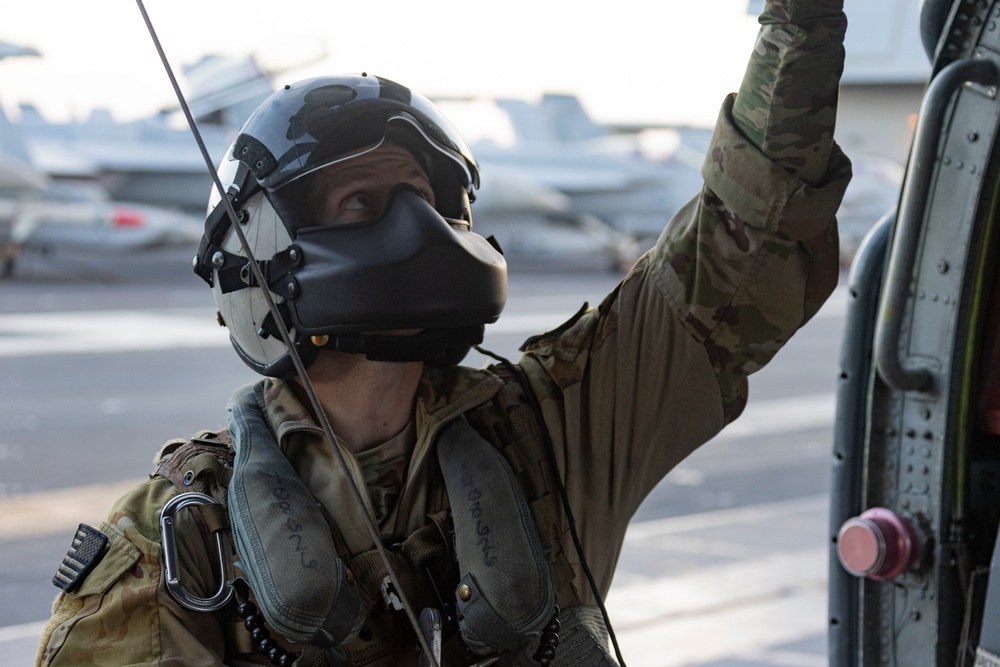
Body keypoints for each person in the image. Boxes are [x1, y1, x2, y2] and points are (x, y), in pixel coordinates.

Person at [36, 1, 851, 665]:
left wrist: (799, 23)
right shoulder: (175, 546)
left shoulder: (552, 430)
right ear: (267, 252)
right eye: (365, 203)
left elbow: (747, 249)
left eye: (426, 201)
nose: (416, 232)